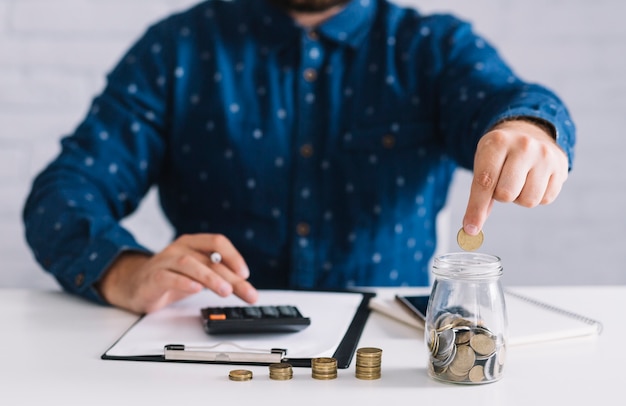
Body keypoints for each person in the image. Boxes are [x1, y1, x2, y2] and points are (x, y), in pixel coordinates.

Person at [22, 0, 575, 314]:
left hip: (389, 360)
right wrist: (124, 271)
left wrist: (528, 127)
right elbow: (64, 192)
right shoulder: (177, 49)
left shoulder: (431, 46)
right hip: (210, 354)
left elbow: (512, 101)